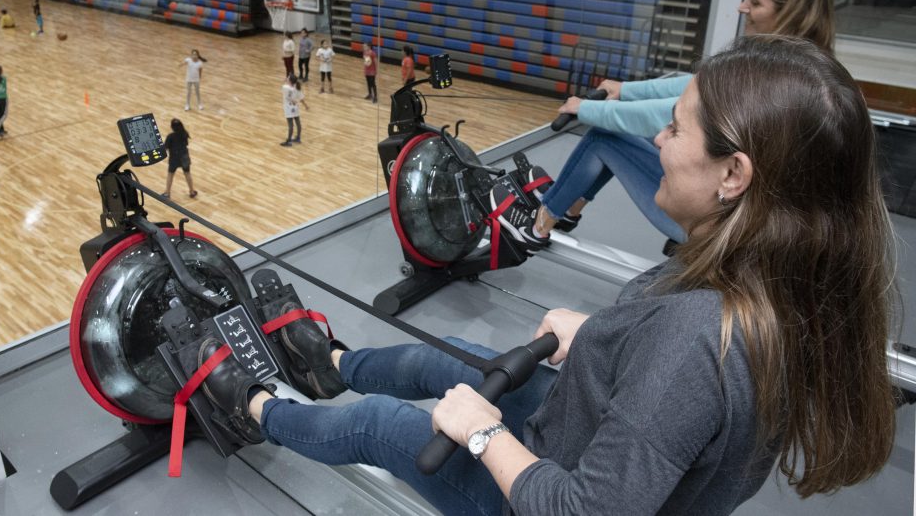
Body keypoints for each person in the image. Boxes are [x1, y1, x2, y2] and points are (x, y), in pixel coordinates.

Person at [195, 36, 897, 515]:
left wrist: (480, 435)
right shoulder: (791, 283)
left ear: (733, 175)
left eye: (677, 130)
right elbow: (687, 399)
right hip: (585, 429)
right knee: (443, 361)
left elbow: (581, 510)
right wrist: (598, 336)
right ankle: (337, 364)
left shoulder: (694, 339)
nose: (658, 140)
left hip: (544, 486)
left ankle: (255, 406)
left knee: (382, 425)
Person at [501, 0, 836, 248]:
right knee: (622, 134)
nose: (742, 7)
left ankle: (537, 226)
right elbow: (695, 85)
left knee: (606, 136)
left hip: (726, 226)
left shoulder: (767, 79)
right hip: (749, 212)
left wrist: (586, 109)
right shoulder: (797, 67)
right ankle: (568, 209)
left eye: (755, 1)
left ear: (787, 12)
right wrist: (626, 90)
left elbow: (669, 113)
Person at [162, 118, 197, 199]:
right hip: (184, 157)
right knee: (187, 173)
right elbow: (186, 144)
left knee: (170, 175)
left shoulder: (170, 136)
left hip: (174, 158)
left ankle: (167, 193)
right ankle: (192, 191)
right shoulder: (185, 133)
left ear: (172, 127)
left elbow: (165, 147)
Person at [280, 73, 307, 147]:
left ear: (290, 81)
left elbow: (284, 86)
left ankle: (288, 141)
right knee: (298, 122)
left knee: (290, 124)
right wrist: (306, 106)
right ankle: (298, 137)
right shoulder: (297, 87)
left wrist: (285, 81)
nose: (286, 78)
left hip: (288, 108)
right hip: (295, 107)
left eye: (288, 78)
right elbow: (301, 98)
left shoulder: (285, 87)